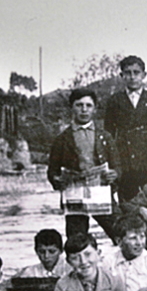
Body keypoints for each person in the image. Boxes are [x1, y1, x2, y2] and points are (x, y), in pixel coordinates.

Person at [47, 88, 120, 241]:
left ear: (95, 108)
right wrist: (57, 180)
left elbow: (117, 166)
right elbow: (52, 171)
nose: (84, 110)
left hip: (101, 193)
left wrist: (114, 174)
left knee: (121, 232)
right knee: (76, 241)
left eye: (88, 105)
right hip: (75, 196)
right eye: (79, 105)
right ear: (71, 108)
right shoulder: (61, 139)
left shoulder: (105, 136)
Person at [104, 55, 147, 201]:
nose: (132, 77)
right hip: (125, 160)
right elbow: (108, 134)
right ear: (122, 76)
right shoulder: (115, 100)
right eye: (128, 73)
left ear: (143, 75)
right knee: (128, 202)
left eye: (136, 72)